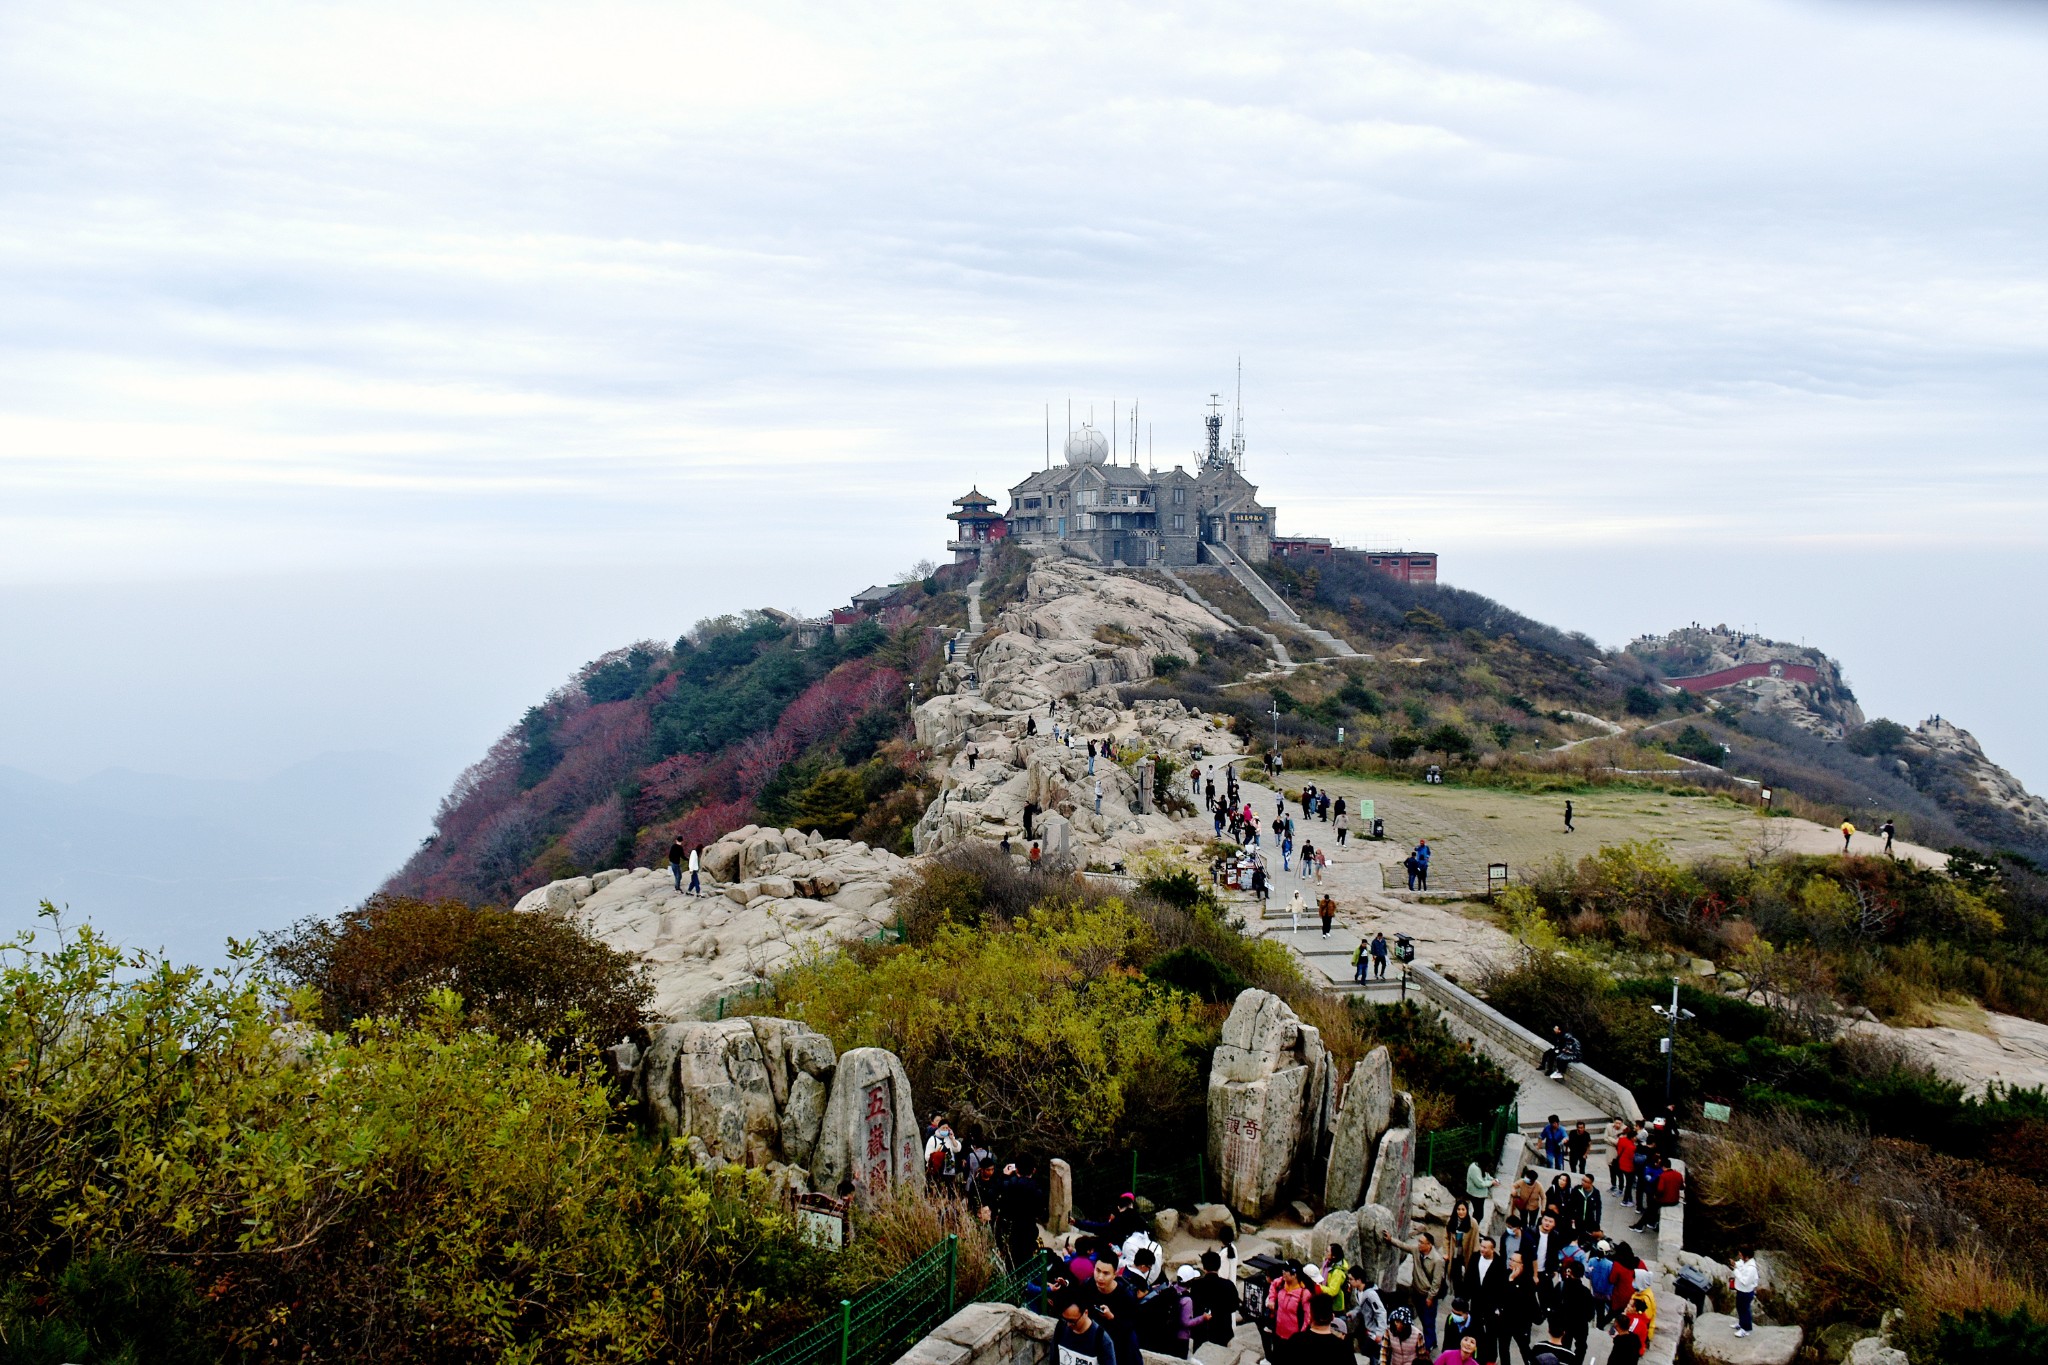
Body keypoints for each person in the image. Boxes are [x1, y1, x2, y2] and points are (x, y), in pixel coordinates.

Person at [1386, 1227, 1448, 1354]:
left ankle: (1428, 1346)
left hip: (1427, 1295)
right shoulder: (1416, 1251)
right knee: (1422, 1318)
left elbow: (1436, 1282)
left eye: (1421, 1242)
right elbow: (1404, 1246)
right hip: (1416, 1292)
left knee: (1428, 1321)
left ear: (1429, 1245)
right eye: (1418, 1241)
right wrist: (1391, 1239)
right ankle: (1433, 1341)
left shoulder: (1437, 1260)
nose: (1418, 1244)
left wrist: (1430, 1298)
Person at [1082, 1257, 1143, 1364]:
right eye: (1098, 1271)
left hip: (1119, 1349)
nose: (1100, 1277)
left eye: (1106, 1273)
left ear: (1115, 1274)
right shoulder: (1089, 1285)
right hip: (1093, 1344)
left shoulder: (1126, 1296)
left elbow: (1131, 1326)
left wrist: (1112, 1317)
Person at [1190, 1251, 1238, 1351]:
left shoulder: (1196, 1285)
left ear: (1204, 1267)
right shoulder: (1228, 1285)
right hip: (1222, 1330)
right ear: (1219, 1266)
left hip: (1201, 1330)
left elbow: (1192, 1307)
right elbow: (1234, 1307)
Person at [1052, 1293, 1117, 1365]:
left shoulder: (1101, 1339)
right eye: (1065, 1319)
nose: (1068, 1324)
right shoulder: (1061, 1328)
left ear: (1085, 1313)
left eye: (1072, 1321)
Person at [1444, 1199, 1481, 1301]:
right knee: (1456, 1277)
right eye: (1458, 1209)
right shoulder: (1451, 1221)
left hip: (1467, 1255)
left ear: (1467, 1210)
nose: (1461, 1212)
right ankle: (1457, 1297)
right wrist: (1446, 1252)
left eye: (1463, 1209)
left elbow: (1476, 1241)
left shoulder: (1472, 1223)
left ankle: (1464, 1300)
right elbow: (1446, 1238)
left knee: (1467, 1279)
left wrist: (1475, 1255)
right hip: (1455, 1255)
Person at [1731, 1249, 1759, 1338]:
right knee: (1739, 1307)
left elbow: (1745, 1281)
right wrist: (1735, 1264)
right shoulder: (1745, 1262)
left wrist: (1735, 1270)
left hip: (1746, 1292)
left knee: (1745, 1309)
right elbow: (1740, 1264)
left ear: (1746, 1257)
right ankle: (1741, 1323)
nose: (1739, 1256)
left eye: (1741, 1255)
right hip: (1741, 1290)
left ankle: (1746, 1329)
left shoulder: (1751, 1268)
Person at [1612, 1124, 1637, 1207]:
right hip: (1628, 1167)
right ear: (1632, 1137)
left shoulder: (1622, 1140)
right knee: (1629, 1184)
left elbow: (1618, 1150)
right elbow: (1632, 1158)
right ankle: (1625, 1200)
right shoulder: (1632, 1147)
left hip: (1620, 1163)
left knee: (1625, 1181)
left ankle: (1628, 1198)